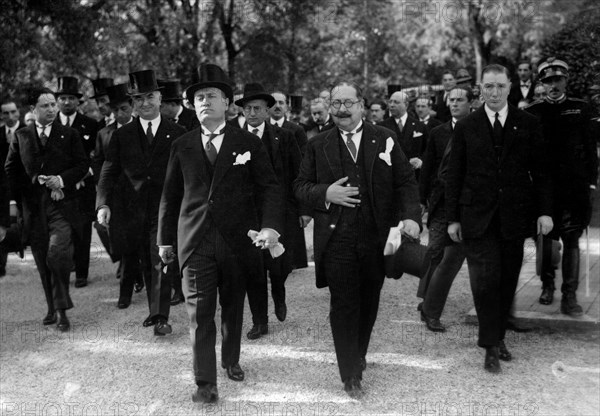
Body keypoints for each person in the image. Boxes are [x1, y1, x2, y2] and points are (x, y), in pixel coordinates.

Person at [157, 63, 283, 404]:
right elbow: (170, 195)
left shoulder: (248, 143)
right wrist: (165, 241)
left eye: (212, 95)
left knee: (232, 306)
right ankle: (205, 383)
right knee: (199, 313)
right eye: (198, 96)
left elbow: (270, 187)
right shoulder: (181, 144)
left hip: (237, 239)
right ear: (190, 104)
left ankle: (230, 358)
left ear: (228, 103)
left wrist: (270, 226)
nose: (204, 101)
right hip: (195, 240)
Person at [294, 81, 421, 398]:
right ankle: (350, 373)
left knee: (369, 302)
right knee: (343, 306)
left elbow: (405, 182)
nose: (342, 110)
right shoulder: (317, 144)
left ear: (362, 106)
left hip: (377, 240)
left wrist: (410, 217)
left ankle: (359, 351)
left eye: (348, 103)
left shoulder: (386, 139)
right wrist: (326, 193)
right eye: (336, 104)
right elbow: (299, 187)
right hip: (336, 242)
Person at [446, 64, 553, 373]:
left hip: (514, 217)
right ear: (481, 89)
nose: (494, 93)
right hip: (476, 217)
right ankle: (489, 345)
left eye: (500, 86)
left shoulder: (528, 123)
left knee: (506, 281)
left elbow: (542, 172)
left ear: (510, 88)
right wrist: (453, 218)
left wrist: (545, 211)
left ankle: (498, 337)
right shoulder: (467, 125)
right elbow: (454, 176)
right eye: (488, 87)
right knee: (484, 281)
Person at [96, 70, 187, 331]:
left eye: (150, 97)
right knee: (146, 261)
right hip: (132, 209)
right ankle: (155, 310)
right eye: (138, 98)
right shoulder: (122, 135)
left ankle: (160, 317)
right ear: (132, 102)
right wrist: (103, 203)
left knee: (159, 256)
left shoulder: (178, 132)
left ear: (160, 98)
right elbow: (109, 170)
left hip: (165, 208)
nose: (144, 103)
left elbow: (187, 173)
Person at [5, 88, 89, 331]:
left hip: (62, 207)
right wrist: (22, 196)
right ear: (33, 110)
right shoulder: (21, 136)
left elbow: (83, 164)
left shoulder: (69, 134)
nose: (52, 109)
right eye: (45, 106)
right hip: (33, 209)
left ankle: (62, 311)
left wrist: (61, 180)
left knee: (57, 253)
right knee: (43, 260)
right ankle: (52, 307)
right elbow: (10, 171)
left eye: (53, 104)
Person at [525, 58, 598, 316]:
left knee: (572, 241)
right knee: (546, 240)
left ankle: (569, 296)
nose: (553, 85)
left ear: (566, 80)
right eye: (547, 81)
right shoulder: (533, 112)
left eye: (557, 80)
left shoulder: (581, 109)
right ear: (542, 84)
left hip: (574, 188)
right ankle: (547, 285)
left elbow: (591, 150)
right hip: (543, 190)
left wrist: (591, 183)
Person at [417, 86, 473, 332]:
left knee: (451, 256)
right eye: (451, 100)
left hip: (467, 203)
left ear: (471, 103)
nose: (455, 104)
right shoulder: (438, 132)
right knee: (436, 251)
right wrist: (421, 200)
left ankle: (430, 305)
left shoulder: (476, 129)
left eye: (460, 100)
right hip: (441, 202)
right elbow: (429, 167)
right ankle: (427, 301)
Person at [55, 76, 99, 288]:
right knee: (62, 229)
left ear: (77, 101)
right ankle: (62, 269)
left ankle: (81, 272)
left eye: (71, 98)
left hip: (83, 186)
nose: (66, 102)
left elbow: (97, 155)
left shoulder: (90, 125)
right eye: (62, 98)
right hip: (59, 187)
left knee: (82, 230)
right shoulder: (50, 124)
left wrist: (86, 174)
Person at [378, 91, 429, 179]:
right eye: (390, 102)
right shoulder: (381, 127)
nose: (392, 105)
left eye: (396, 102)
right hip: (392, 176)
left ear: (406, 104)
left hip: (414, 176)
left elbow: (428, 149)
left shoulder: (420, 126)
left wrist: (421, 160)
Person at [0, 100, 24, 277]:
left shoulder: (27, 131)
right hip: (2, 186)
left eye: (12, 112)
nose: (9, 116)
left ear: (18, 113)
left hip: (24, 185)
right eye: (5, 113)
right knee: (3, 223)